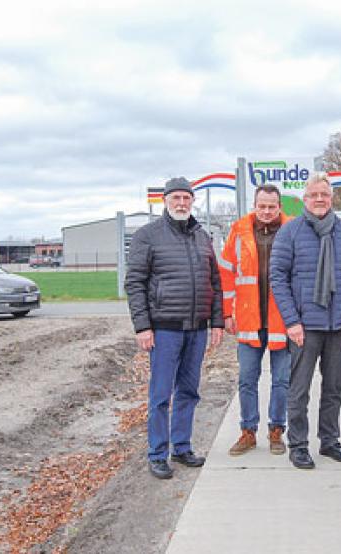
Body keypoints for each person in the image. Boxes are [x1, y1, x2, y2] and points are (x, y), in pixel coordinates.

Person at [125, 176, 224, 480]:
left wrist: (216, 321)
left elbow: (215, 282)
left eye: (186, 198)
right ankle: (158, 452)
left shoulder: (201, 236)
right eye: (176, 198)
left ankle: (182, 446)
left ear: (192, 201)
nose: (181, 203)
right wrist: (143, 326)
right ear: (165, 201)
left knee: (189, 391)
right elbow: (135, 283)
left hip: (197, 329)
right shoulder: (148, 235)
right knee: (160, 394)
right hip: (165, 329)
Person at [270, 171, 341, 470]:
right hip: (304, 327)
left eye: (324, 194)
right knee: (299, 389)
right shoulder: (290, 232)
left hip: (337, 326)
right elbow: (278, 278)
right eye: (313, 195)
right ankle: (298, 445)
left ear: (331, 198)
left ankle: (330, 440)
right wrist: (292, 321)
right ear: (304, 199)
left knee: (333, 388)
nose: (319, 199)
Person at [219, 185, 291, 456]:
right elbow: (226, 274)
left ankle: (276, 431)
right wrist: (226, 313)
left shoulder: (292, 230)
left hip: (281, 321)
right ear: (254, 205)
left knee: (281, 381)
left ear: (279, 206)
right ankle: (248, 432)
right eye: (262, 206)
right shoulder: (238, 231)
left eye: (272, 206)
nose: (266, 211)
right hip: (248, 321)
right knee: (247, 380)